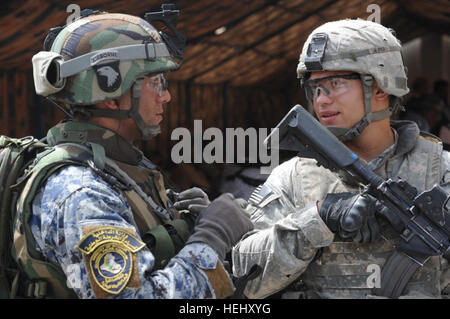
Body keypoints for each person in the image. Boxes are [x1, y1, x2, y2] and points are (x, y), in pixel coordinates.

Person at [11, 10, 253, 299]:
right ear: (112, 94)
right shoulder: (81, 192)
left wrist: (186, 225)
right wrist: (212, 238)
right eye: (156, 83)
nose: (166, 96)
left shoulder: (115, 168)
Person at [231, 19, 450, 299]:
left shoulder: (441, 171)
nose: (320, 100)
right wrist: (318, 217)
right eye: (314, 88)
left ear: (380, 88)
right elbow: (240, 275)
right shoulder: (293, 178)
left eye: (335, 83)